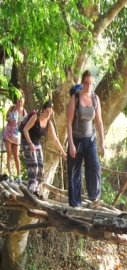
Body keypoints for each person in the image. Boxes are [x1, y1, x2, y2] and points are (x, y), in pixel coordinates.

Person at [66, 70, 106, 208]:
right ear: (82, 83)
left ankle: (94, 197)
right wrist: (71, 144)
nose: (89, 86)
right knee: (74, 171)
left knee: (94, 167)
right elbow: (69, 122)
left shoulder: (95, 98)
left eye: (91, 83)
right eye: (86, 83)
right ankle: (75, 203)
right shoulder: (75, 98)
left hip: (90, 139)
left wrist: (102, 143)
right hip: (76, 139)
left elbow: (99, 122)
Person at [21, 100, 67, 199]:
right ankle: (30, 190)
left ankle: (36, 189)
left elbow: (55, 139)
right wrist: (29, 144)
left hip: (37, 144)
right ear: (43, 110)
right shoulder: (35, 117)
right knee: (34, 166)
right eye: (47, 112)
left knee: (41, 167)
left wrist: (63, 153)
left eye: (50, 112)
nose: (48, 114)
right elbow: (25, 130)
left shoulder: (49, 123)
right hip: (27, 142)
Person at [2, 89, 27, 182]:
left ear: (23, 102)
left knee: (16, 155)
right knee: (9, 154)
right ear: (17, 101)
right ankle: (10, 175)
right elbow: (6, 117)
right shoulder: (12, 108)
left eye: (22, 102)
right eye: (19, 101)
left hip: (16, 136)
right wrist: (10, 119)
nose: (20, 103)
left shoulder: (24, 112)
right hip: (8, 133)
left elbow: (25, 124)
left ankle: (19, 175)